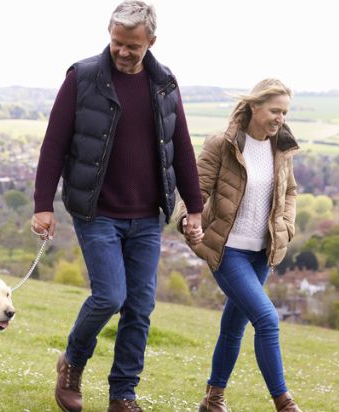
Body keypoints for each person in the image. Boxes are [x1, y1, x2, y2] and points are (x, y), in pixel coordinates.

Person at [32, 2, 204, 411]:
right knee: (109, 296)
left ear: (151, 42)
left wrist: (194, 207)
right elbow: (54, 144)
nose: (123, 52)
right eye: (117, 43)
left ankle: (123, 394)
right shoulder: (82, 77)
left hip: (147, 216)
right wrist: (43, 205)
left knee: (140, 308)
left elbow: (181, 147)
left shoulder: (164, 83)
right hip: (97, 212)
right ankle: (72, 364)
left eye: (133, 46)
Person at [176, 78, 301, 412]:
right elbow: (196, 189)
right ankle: (284, 403)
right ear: (255, 107)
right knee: (267, 319)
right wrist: (189, 219)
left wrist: (286, 227)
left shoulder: (281, 148)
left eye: (285, 113)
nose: (280, 119)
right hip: (227, 250)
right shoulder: (223, 144)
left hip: (262, 253)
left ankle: (213, 398)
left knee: (234, 325)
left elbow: (290, 191)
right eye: (275, 111)